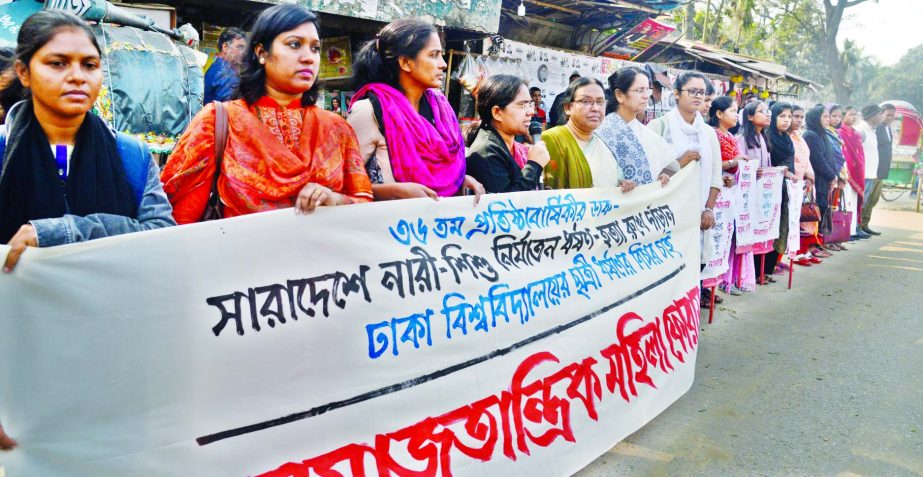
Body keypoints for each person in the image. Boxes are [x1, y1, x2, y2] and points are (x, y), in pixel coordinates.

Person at [0, 10, 175, 278]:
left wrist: (61, 232)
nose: (78, 77)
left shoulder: (130, 154)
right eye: (58, 63)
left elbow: (160, 234)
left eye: (90, 65)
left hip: (108, 310)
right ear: (24, 72)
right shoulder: (4, 150)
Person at [162, 5, 373, 224]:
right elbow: (179, 222)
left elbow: (363, 204)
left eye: (315, 48)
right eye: (294, 44)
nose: (309, 58)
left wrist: (334, 200)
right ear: (261, 52)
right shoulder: (218, 122)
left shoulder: (337, 128)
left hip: (323, 256)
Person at [348, 19, 483, 201]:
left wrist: (459, 181)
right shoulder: (369, 110)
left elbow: (440, 171)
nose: (443, 64)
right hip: (390, 226)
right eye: (434, 55)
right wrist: (393, 192)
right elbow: (339, 183)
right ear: (405, 62)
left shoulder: (440, 110)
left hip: (438, 225)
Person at [648, 71, 722, 233]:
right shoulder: (659, 127)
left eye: (702, 93)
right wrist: (679, 164)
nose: (698, 96)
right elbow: (648, 174)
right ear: (676, 93)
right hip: (666, 213)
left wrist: (709, 209)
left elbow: (716, 175)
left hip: (699, 214)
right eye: (692, 91)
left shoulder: (708, 133)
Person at [542, 77, 635, 193]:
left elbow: (614, 179)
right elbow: (552, 196)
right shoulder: (553, 139)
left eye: (600, 102)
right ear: (568, 108)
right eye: (586, 101)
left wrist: (623, 184)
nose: (596, 108)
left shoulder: (602, 142)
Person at [465, 74, 550, 193]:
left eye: (530, 104)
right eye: (522, 105)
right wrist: (534, 165)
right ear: (497, 112)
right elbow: (506, 206)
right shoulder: (487, 152)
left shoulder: (513, 147)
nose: (531, 112)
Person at [596, 66, 677, 187]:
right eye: (639, 90)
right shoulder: (603, 131)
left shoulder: (646, 133)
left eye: (647, 90)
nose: (646, 96)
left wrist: (659, 178)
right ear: (619, 95)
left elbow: (654, 170)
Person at [709, 95, 746, 295]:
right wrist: (734, 163)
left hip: (729, 193)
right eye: (732, 111)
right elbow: (713, 164)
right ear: (719, 114)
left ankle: (719, 282)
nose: (735, 115)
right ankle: (707, 289)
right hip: (716, 193)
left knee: (724, 239)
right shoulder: (714, 135)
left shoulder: (731, 136)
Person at [733, 100, 771, 288]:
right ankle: (739, 276)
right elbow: (739, 166)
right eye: (762, 111)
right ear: (749, 116)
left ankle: (753, 273)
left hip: (760, 193)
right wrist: (750, 170)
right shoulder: (742, 139)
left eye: (767, 111)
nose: (767, 114)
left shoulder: (763, 137)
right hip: (745, 195)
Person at [765, 102, 799, 279]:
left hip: (784, 189)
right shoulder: (767, 136)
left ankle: (770, 267)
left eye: (789, 116)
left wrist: (788, 172)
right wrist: (783, 171)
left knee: (781, 225)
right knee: (767, 225)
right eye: (782, 116)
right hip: (769, 189)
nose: (787, 120)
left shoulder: (787, 139)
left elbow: (790, 162)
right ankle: (760, 270)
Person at [803, 105, 839, 245]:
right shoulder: (810, 135)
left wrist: (833, 175)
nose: (828, 119)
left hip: (824, 180)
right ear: (815, 118)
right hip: (816, 180)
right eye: (825, 116)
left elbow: (830, 157)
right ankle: (809, 246)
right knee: (813, 212)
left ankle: (817, 243)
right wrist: (831, 175)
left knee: (822, 210)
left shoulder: (823, 134)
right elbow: (818, 160)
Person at [861, 103, 896, 235]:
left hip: (881, 170)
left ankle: (865, 223)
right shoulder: (876, 128)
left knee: (874, 199)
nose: (889, 118)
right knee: (868, 198)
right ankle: (861, 224)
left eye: (892, 115)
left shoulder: (888, 129)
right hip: (872, 170)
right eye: (887, 115)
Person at [837, 106, 869, 240]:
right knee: (845, 201)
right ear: (844, 116)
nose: (853, 117)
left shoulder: (855, 132)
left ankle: (853, 229)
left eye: (855, 115)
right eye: (850, 114)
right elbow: (845, 153)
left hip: (857, 170)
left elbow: (859, 152)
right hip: (847, 171)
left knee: (854, 201)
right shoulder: (840, 132)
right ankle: (845, 231)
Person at [203, 27, 246, 105]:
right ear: (225, 47)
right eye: (240, 47)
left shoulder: (216, 67)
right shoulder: (227, 73)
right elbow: (231, 111)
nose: (244, 52)